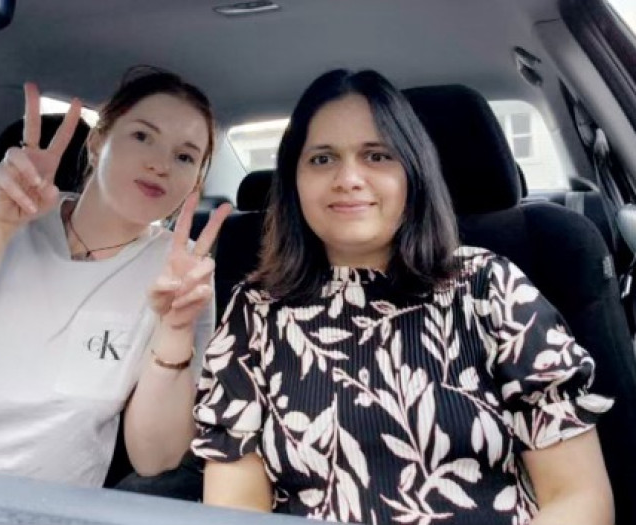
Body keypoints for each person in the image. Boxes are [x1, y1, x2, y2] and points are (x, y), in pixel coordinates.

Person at [191, 69, 614, 524]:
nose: (348, 178)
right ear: (294, 182)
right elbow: (237, 510)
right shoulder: (256, 312)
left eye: (376, 155)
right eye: (321, 159)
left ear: (413, 172)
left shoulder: (490, 287)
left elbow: (577, 498)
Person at [0, 65, 231, 488]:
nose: (160, 164)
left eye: (185, 156)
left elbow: (155, 459)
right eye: (142, 136)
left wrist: (174, 329)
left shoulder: (183, 278)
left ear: (196, 181)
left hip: (41, 506)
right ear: (98, 142)